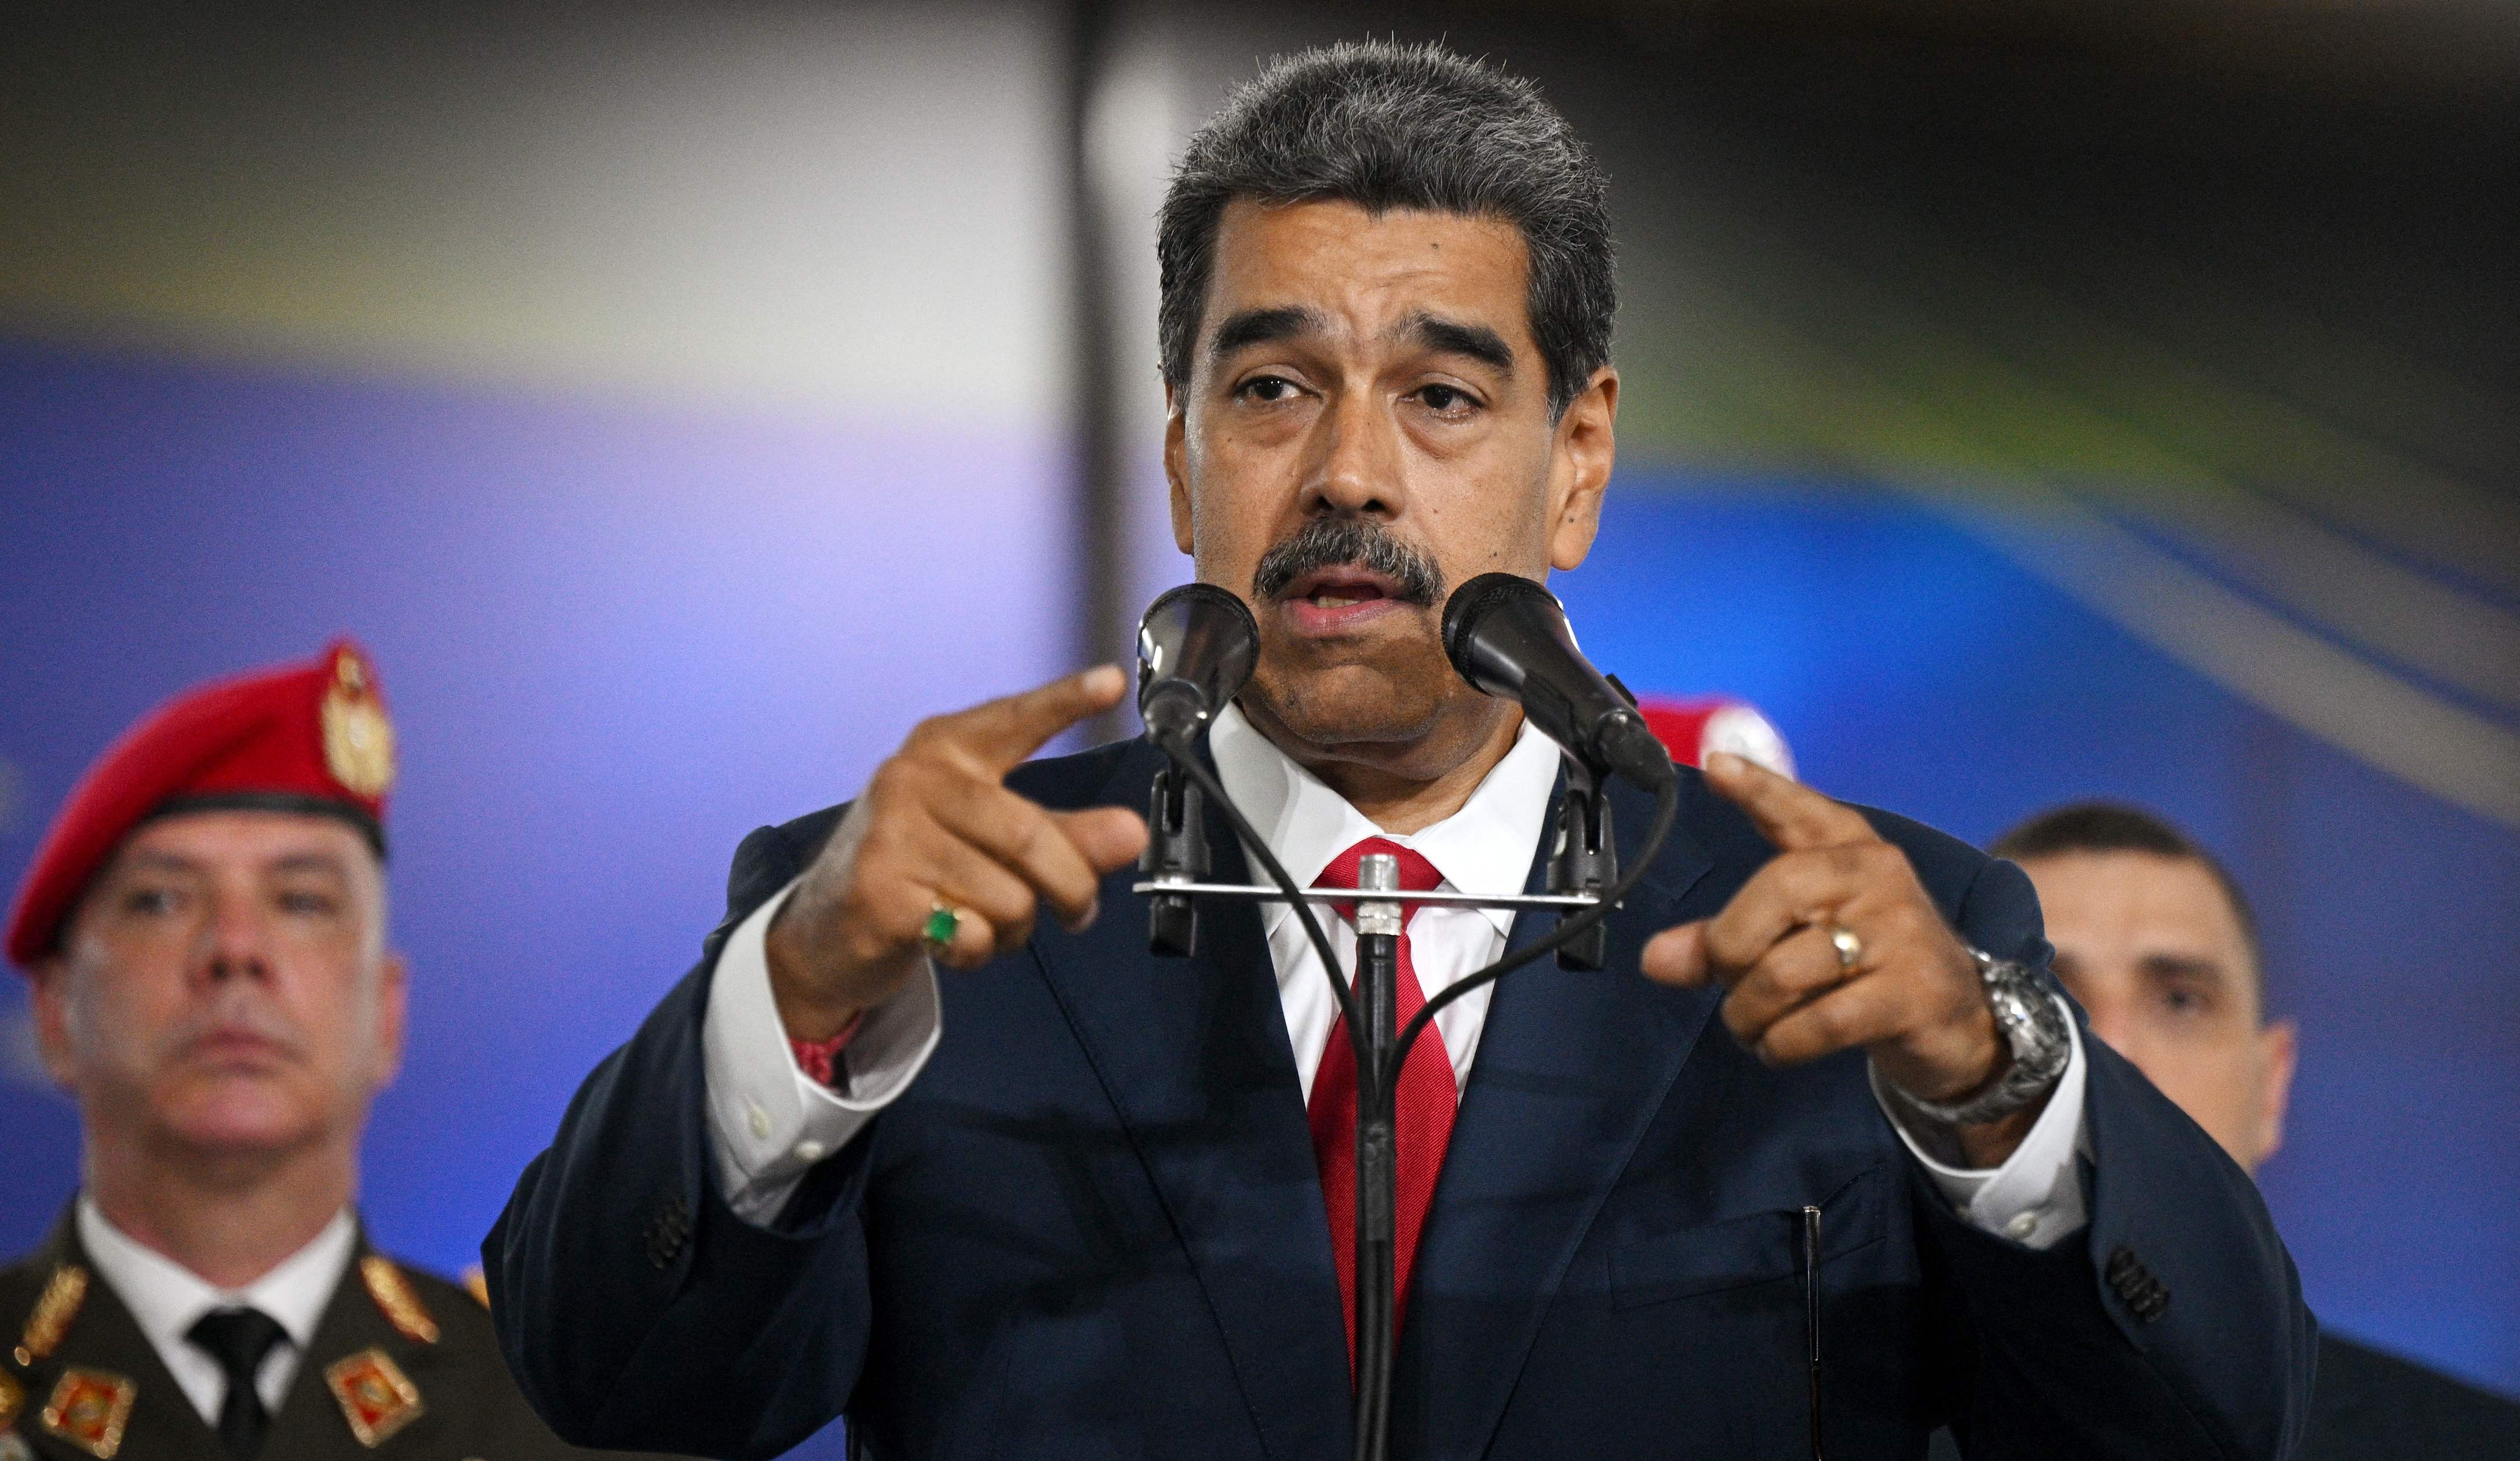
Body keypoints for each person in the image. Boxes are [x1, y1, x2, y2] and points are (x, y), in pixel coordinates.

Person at [486, 42, 2314, 1459]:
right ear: (1189, 454)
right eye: (1271, 388)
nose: (1350, 473)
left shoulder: (1860, 942)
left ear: (1576, 458)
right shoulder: (924, 920)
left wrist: (1993, 1082)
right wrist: (796, 987)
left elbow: (2210, 1424)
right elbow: (613, 1381)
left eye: (1442, 395)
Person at [0, 642, 668, 1460]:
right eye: (162, 899)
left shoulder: (579, 1425)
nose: (236, 947)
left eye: (303, 900)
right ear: (55, 1011)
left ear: (386, 1013)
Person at [1981, 802, 2520, 1460]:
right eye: (2046, 997)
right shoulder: (1829, 1425)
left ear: (2271, 1085)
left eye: (2180, 999)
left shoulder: (2478, 1444)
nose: (2113, 1054)